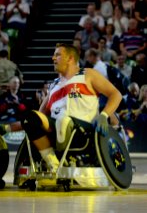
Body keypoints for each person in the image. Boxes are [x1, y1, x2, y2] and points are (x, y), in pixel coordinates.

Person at [20, 43, 122, 174]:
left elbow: (116, 94)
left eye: (57, 55)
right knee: (30, 117)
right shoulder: (54, 84)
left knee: (64, 121)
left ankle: (63, 158)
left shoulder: (87, 74)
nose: (53, 58)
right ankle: (53, 162)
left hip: (83, 130)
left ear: (70, 58)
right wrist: (11, 127)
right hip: (56, 130)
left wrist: (104, 115)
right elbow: (39, 116)